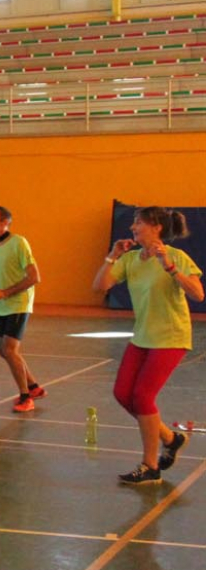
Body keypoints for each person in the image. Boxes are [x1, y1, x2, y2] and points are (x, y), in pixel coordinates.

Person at [93, 206, 203, 485]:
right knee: (122, 393)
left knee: (142, 397)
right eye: (133, 222)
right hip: (143, 336)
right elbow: (100, 285)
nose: (133, 227)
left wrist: (170, 267)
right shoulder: (131, 259)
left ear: (156, 227)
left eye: (138, 222)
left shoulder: (176, 256)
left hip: (171, 336)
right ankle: (170, 438)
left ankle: (150, 466)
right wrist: (112, 256)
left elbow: (198, 294)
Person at [0, 207, 43, 413]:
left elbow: (34, 277)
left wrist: (6, 293)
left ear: (5, 223)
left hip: (18, 303)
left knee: (10, 350)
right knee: (2, 350)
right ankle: (34, 387)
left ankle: (26, 397)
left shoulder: (19, 243)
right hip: (1, 305)